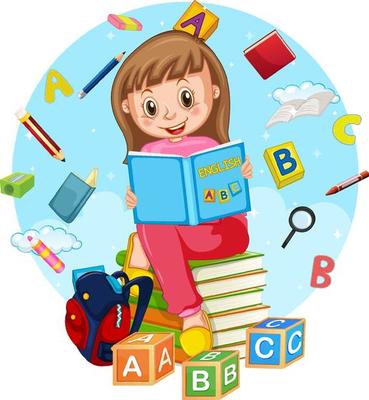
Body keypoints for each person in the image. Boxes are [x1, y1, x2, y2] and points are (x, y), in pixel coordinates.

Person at [111, 31, 252, 356]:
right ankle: (190, 313)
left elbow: (232, 191)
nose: (171, 115)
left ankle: (146, 253)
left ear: (213, 91)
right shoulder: (148, 152)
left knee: (156, 230)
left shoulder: (214, 147)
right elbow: (148, 199)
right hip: (177, 232)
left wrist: (241, 174)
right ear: (127, 108)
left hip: (224, 232)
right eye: (151, 106)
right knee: (152, 222)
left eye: (186, 98)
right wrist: (135, 200)